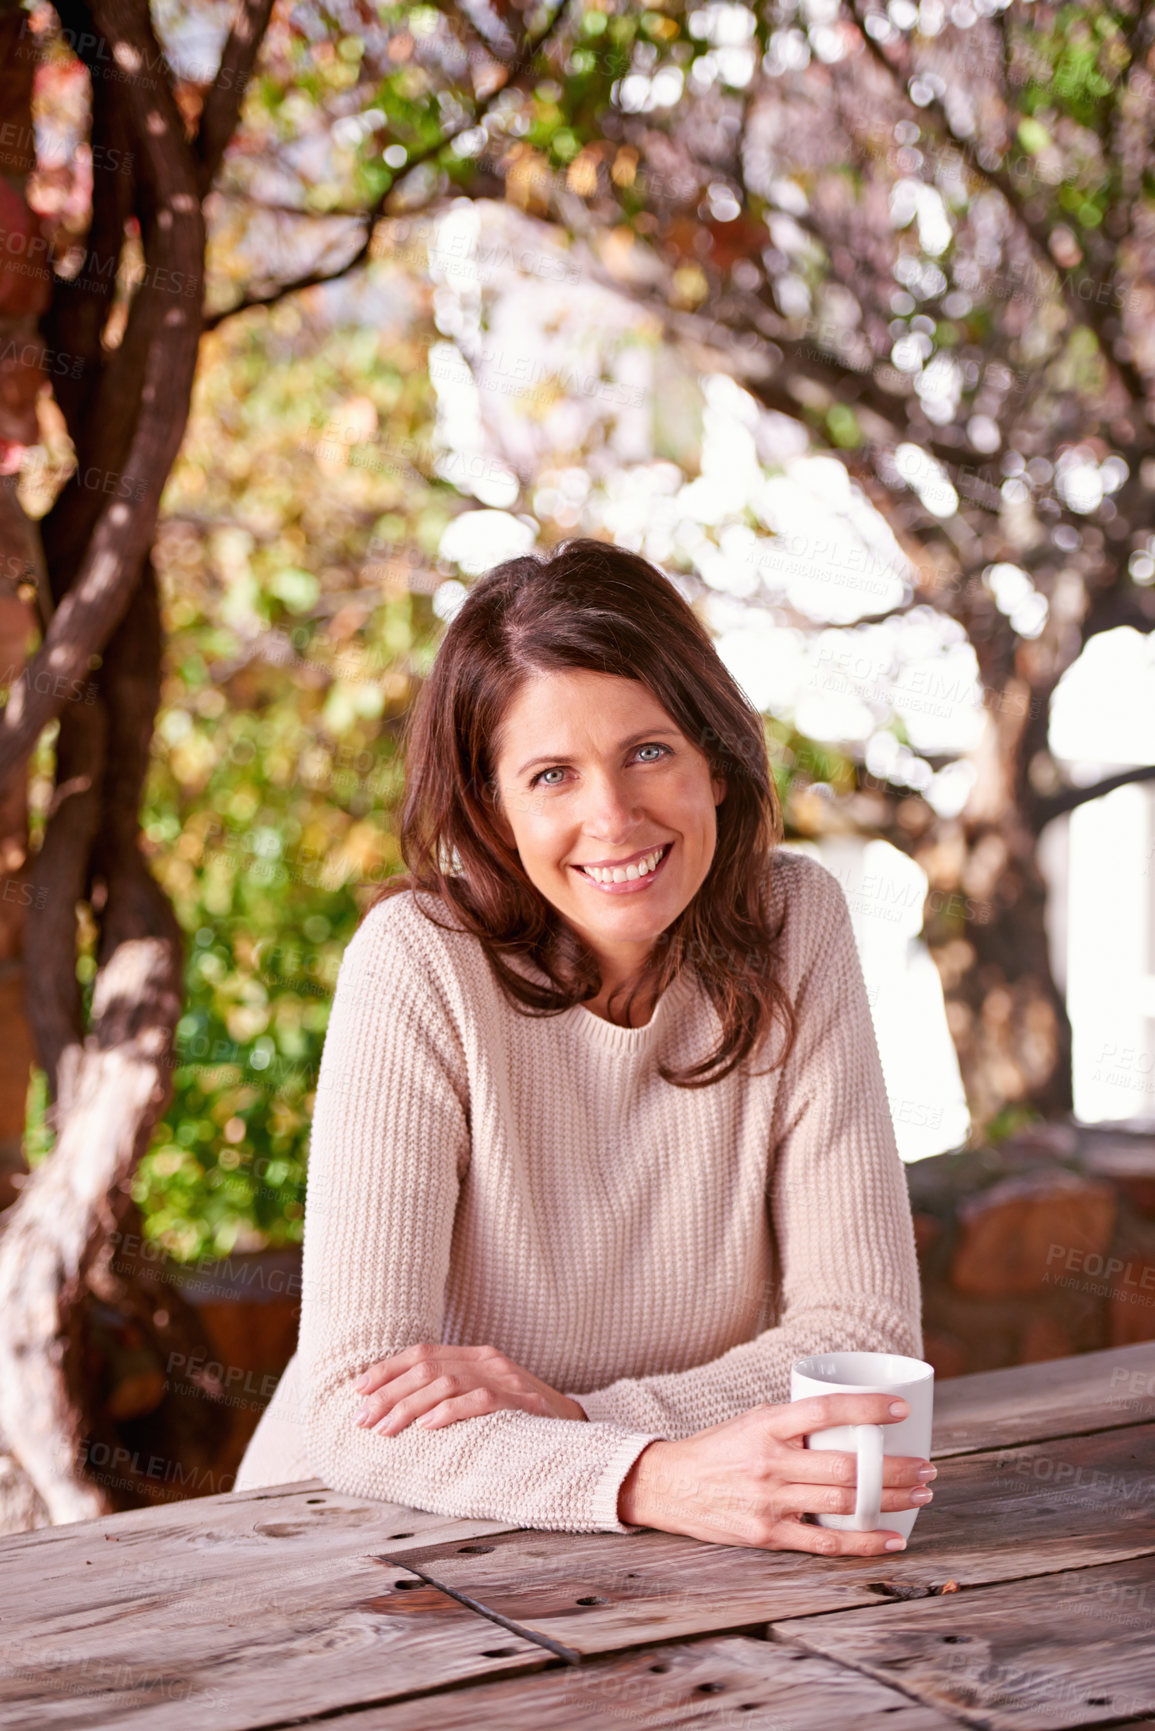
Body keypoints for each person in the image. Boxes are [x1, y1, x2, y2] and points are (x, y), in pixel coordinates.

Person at [234, 537, 930, 1555]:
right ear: (494, 809)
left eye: (647, 752)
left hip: (658, 1550)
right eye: (552, 775)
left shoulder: (796, 924)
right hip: (356, 1552)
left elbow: (862, 1339)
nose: (612, 817)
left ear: (717, 765)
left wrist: (577, 1420)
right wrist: (646, 1473)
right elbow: (352, 1411)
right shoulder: (419, 965)